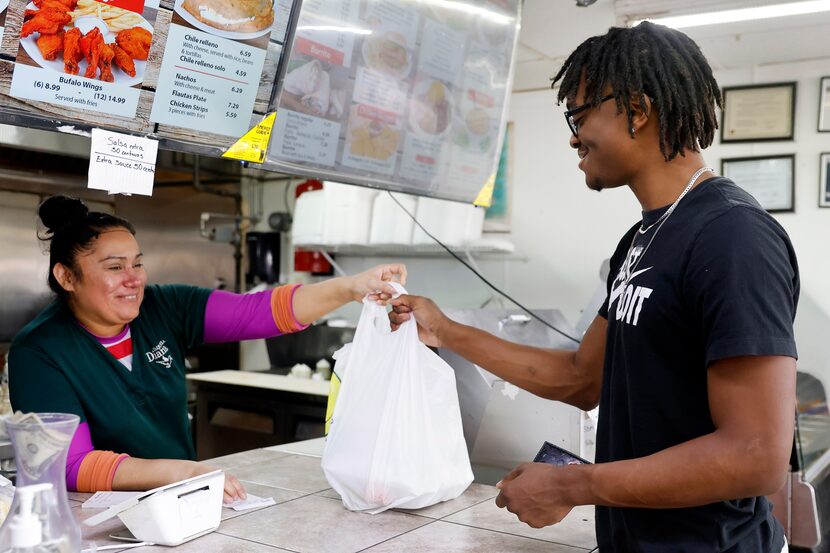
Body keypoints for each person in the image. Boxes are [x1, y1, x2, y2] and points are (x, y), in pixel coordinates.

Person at [390, 22, 798, 552]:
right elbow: (581, 378)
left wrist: (572, 485)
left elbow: (756, 455)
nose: (572, 134)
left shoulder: (733, 236)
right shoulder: (643, 238)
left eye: (578, 115)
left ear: (637, 109)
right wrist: (444, 328)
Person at [9, 195, 406, 503]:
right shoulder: (40, 350)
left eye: (138, 264)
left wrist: (351, 287)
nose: (133, 280)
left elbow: (259, 312)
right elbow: (71, 466)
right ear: (66, 277)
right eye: (115, 268)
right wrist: (180, 473)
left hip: (179, 503)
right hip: (94, 522)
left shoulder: (165, 307)